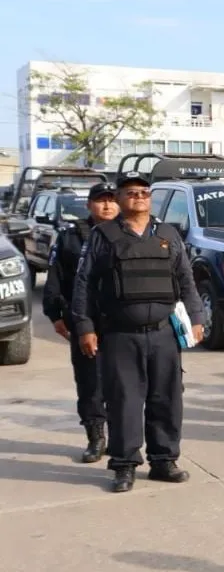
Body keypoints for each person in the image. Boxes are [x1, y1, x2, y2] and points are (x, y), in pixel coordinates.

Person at [70, 171, 205, 493]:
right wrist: (85, 327)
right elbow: (84, 284)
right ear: (119, 198)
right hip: (120, 334)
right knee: (124, 402)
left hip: (163, 334)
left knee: (167, 400)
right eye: (131, 192)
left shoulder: (167, 234)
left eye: (144, 192)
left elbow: (186, 279)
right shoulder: (103, 235)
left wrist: (197, 317)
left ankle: (163, 460)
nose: (139, 197)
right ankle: (124, 465)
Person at [44, 181, 117, 463]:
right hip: (84, 319)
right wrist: (55, 315)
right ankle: (96, 436)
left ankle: (121, 437)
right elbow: (55, 278)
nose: (107, 205)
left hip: (120, 321)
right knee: (90, 383)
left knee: (122, 382)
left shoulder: (130, 232)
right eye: (101, 200)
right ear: (89, 205)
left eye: (112, 199)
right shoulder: (71, 237)